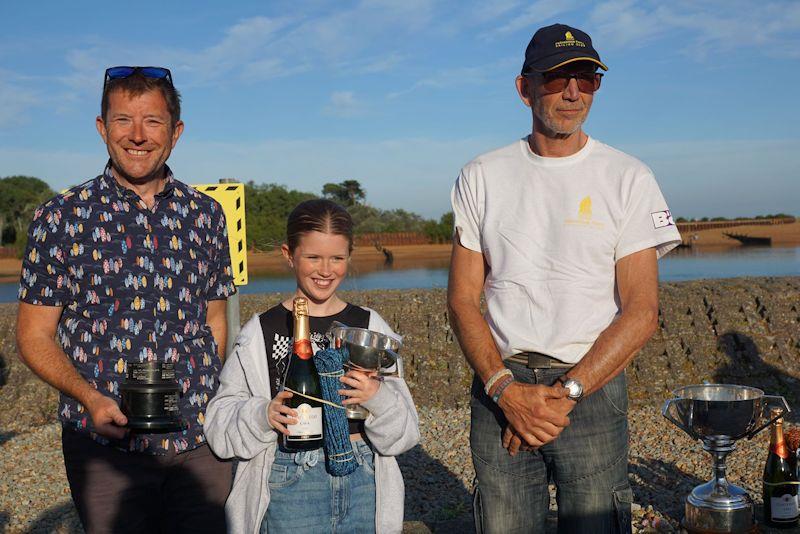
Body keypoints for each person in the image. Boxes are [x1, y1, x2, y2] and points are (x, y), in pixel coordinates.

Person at [447, 24, 681, 533]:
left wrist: (565, 393)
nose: (573, 92)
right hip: (500, 385)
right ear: (524, 87)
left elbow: (642, 310)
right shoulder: (481, 175)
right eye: (556, 78)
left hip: (590, 389)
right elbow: (463, 299)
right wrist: (505, 390)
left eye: (587, 78)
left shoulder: (629, 177)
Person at [16, 66, 236, 533]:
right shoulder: (59, 218)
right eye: (123, 120)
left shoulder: (206, 216)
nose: (138, 136)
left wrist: (206, 399)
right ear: (102, 128)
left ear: (176, 132)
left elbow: (216, 322)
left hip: (201, 443)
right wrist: (89, 398)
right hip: (105, 448)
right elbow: (34, 336)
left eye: (153, 121)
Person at [204, 198, 420, 534]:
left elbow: (404, 435)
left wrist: (377, 395)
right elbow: (219, 426)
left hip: (364, 478)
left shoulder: (370, 327)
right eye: (313, 257)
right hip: (286, 480)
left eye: (337, 258)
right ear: (289, 255)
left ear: (349, 256)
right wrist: (263, 415)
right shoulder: (261, 330)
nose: (325, 270)